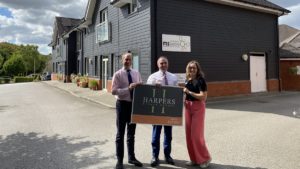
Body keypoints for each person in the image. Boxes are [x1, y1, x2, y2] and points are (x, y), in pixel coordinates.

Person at [111, 52, 143, 169]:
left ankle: (131, 157)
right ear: (122, 60)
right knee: (120, 134)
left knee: (131, 134)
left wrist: (140, 86)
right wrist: (127, 89)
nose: (127, 61)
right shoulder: (118, 74)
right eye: (125, 59)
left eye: (129, 59)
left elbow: (140, 87)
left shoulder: (136, 73)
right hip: (121, 105)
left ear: (131, 61)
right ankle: (119, 160)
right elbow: (113, 91)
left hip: (133, 106)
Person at [146, 56, 178, 167]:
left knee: (168, 135)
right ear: (157, 64)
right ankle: (155, 156)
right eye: (161, 63)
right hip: (157, 111)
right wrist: (154, 86)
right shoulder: (152, 77)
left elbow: (176, 94)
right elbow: (147, 92)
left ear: (167, 64)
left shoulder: (173, 77)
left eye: (165, 63)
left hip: (169, 110)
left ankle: (167, 155)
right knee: (156, 135)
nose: (163, 65)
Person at [183, 60, 211, 168]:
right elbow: (185, 90)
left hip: (198, 107)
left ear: (197, 69)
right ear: (188, 69)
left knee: (196, 136)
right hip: (187, 107)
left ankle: (205, 158)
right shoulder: (188, 79)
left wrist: (189, 92)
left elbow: (203, 97)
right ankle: (194, 159)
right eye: (190, 67)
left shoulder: (201, 80)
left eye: (194, 68)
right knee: (189, 136)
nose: (192, 69)